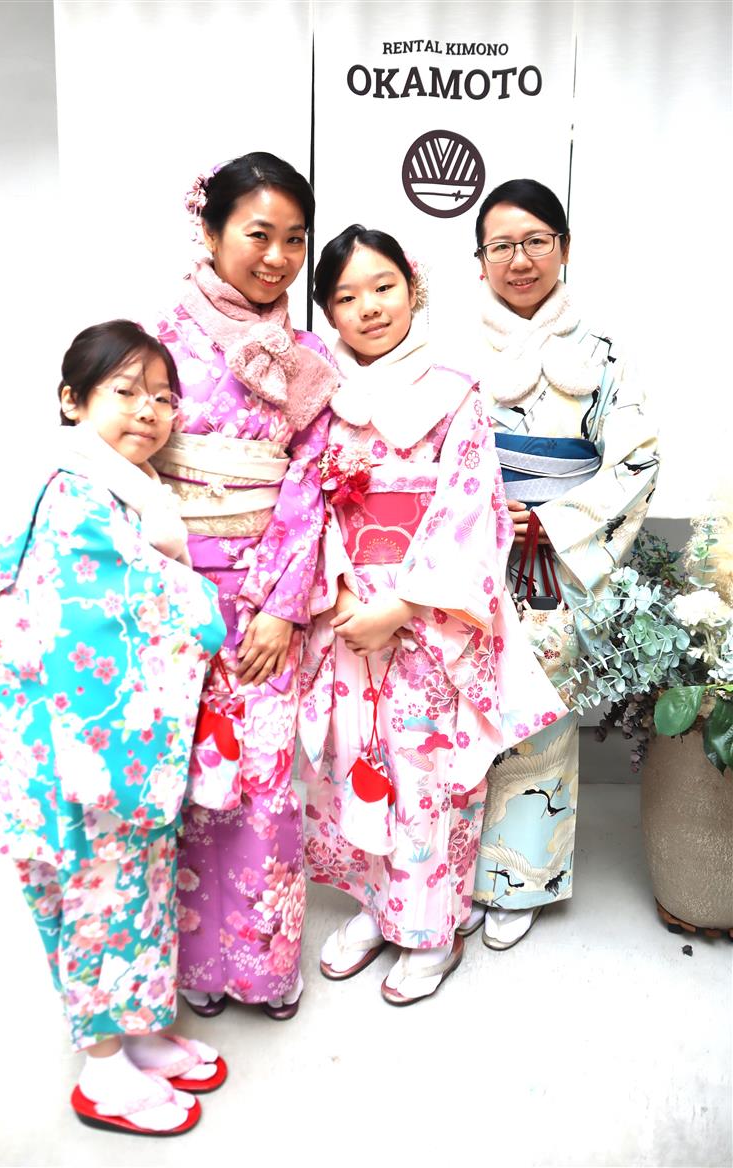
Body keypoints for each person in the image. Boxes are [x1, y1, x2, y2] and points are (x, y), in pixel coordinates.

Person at [0, 321, 229, 1137]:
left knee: (137, 890)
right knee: (97, 896)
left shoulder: (121, 488)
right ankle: (104, 1069)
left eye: (163, 398)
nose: (149, 411)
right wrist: (204, 607)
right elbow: (116, 611)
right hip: (78, 751)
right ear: (72, 400)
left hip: (106, 742)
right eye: (126, 392)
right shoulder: (74, 493)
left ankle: (139, 1034)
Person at [297, 225, 567, 1006]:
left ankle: (431, 930)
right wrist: (342, 593)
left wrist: (404, 604)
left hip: (426, 614)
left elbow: (471, 509)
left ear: (412, 289)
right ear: (328, 312)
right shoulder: (323, 402)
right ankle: (376, 907)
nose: (368, 307)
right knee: (356, 760)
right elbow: (307, 506)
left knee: (425, 772)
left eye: (383, 286)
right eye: (346, 296)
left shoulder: (455, 391)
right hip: (348, 611)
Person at [150, 153, 337, 1020]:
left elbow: (312, 482)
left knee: (264, 781)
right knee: (186, 779)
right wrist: (163, 584)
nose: (278, 257)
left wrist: (280, 608)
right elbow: (130, 458)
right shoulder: (159, 340)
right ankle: (196, 956)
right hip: (173, 592)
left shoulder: (306, 357)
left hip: (265, 600)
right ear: (211, 230)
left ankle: (262, 964)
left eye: (295, 239)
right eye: (259, 233)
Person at [466, 179, 659, 950]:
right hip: (470, 559)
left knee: (539, 714)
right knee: (458, 712)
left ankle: (520, 879)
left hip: (553, 562)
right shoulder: (449, 351)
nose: (520, 260)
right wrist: (482, 510)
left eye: (536, 241)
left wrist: (551, 521)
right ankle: (451, 871)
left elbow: (638, 458)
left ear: (564, 248)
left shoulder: (602, 353)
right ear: (480, 259)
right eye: (502, 245)